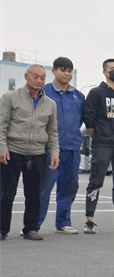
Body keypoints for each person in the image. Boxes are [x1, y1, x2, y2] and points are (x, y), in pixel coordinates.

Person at [0, 64, 59, 241]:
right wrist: (2, 147)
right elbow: (2, 125)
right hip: (12, 151)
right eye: (35, 76)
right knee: (5, 193)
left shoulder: (50, 104)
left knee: (34, 194)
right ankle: (2, 229)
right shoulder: (10, 97)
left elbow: (52, 131)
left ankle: (31, 228)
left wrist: (54, 152)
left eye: (42, 77)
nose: (39, 81)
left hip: (37, 153)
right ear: (26, 76)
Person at [82, 59, 114, 234]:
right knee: (96, 182)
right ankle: (89, 220)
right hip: (102, 144)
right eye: (112, 69)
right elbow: (89, 118)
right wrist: (97, 137)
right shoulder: (96, 93)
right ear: (104, 72)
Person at [38, 57, 85, 234]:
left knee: (69, 186)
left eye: (69, 71)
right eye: (62, 70)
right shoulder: (44, 92)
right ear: (54, 71)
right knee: (44, 187)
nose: (66, 74)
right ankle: (34, 224)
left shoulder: (78, 96)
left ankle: (63, 222)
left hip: (72, 147)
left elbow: (80, 120)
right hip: (48, 149)